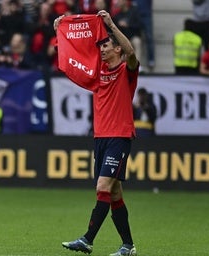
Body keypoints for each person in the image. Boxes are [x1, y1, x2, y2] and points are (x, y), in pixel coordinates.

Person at [54, 9, 139, 256]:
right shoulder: (96, 72)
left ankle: (88, 239)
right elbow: (74, 55)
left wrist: (111, 26)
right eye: (100, 46)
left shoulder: (126, 71)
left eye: (107, 46)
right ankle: (128, 246)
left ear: (118, 50)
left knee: (102, 187)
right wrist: (60, 32)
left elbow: (132, 53)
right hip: (100, 138)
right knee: (113, 193)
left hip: (119, 136)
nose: (101, 49)